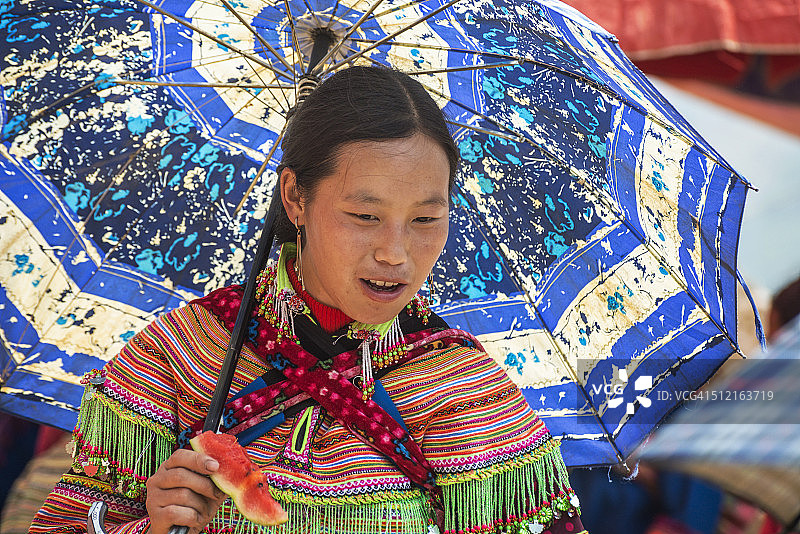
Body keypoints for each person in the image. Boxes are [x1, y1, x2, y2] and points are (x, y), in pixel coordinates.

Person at [29, 66, 586, 534]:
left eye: (425, 219)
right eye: (364, 216)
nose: (395, 252)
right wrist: (150, 526)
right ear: (295, 196)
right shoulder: (181, 355)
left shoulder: (466, 391)